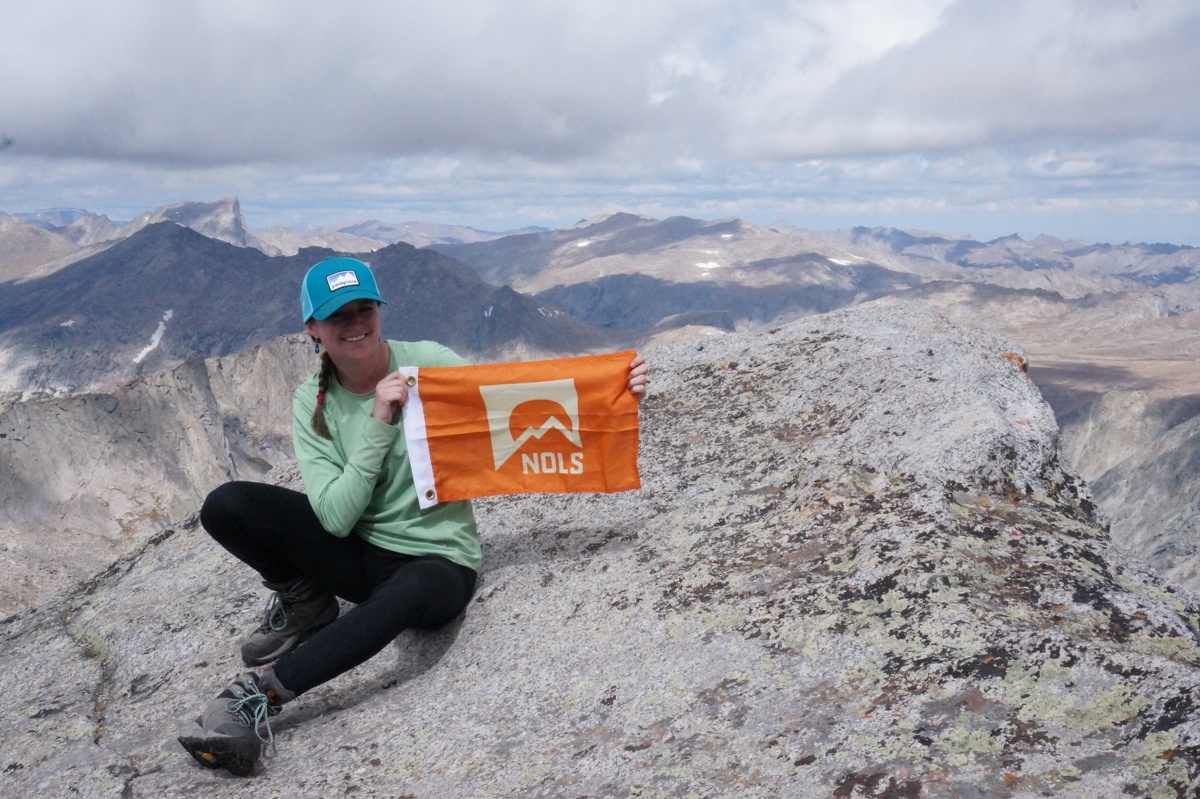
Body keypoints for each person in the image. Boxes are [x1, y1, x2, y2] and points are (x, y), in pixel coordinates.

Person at [178, 256, 648, 776]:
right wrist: (379, 420)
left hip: (438, 562)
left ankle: (255, 697)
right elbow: (334, 518)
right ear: (313, 329)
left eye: (364, 309)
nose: (355, 325)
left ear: (379, 312)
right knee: (228, 505)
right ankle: (305, 601)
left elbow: (513, 400)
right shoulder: (313, 401)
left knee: (408, 591)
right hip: (360, 554)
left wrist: (613, 394)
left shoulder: (428, 362)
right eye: (338, 317)